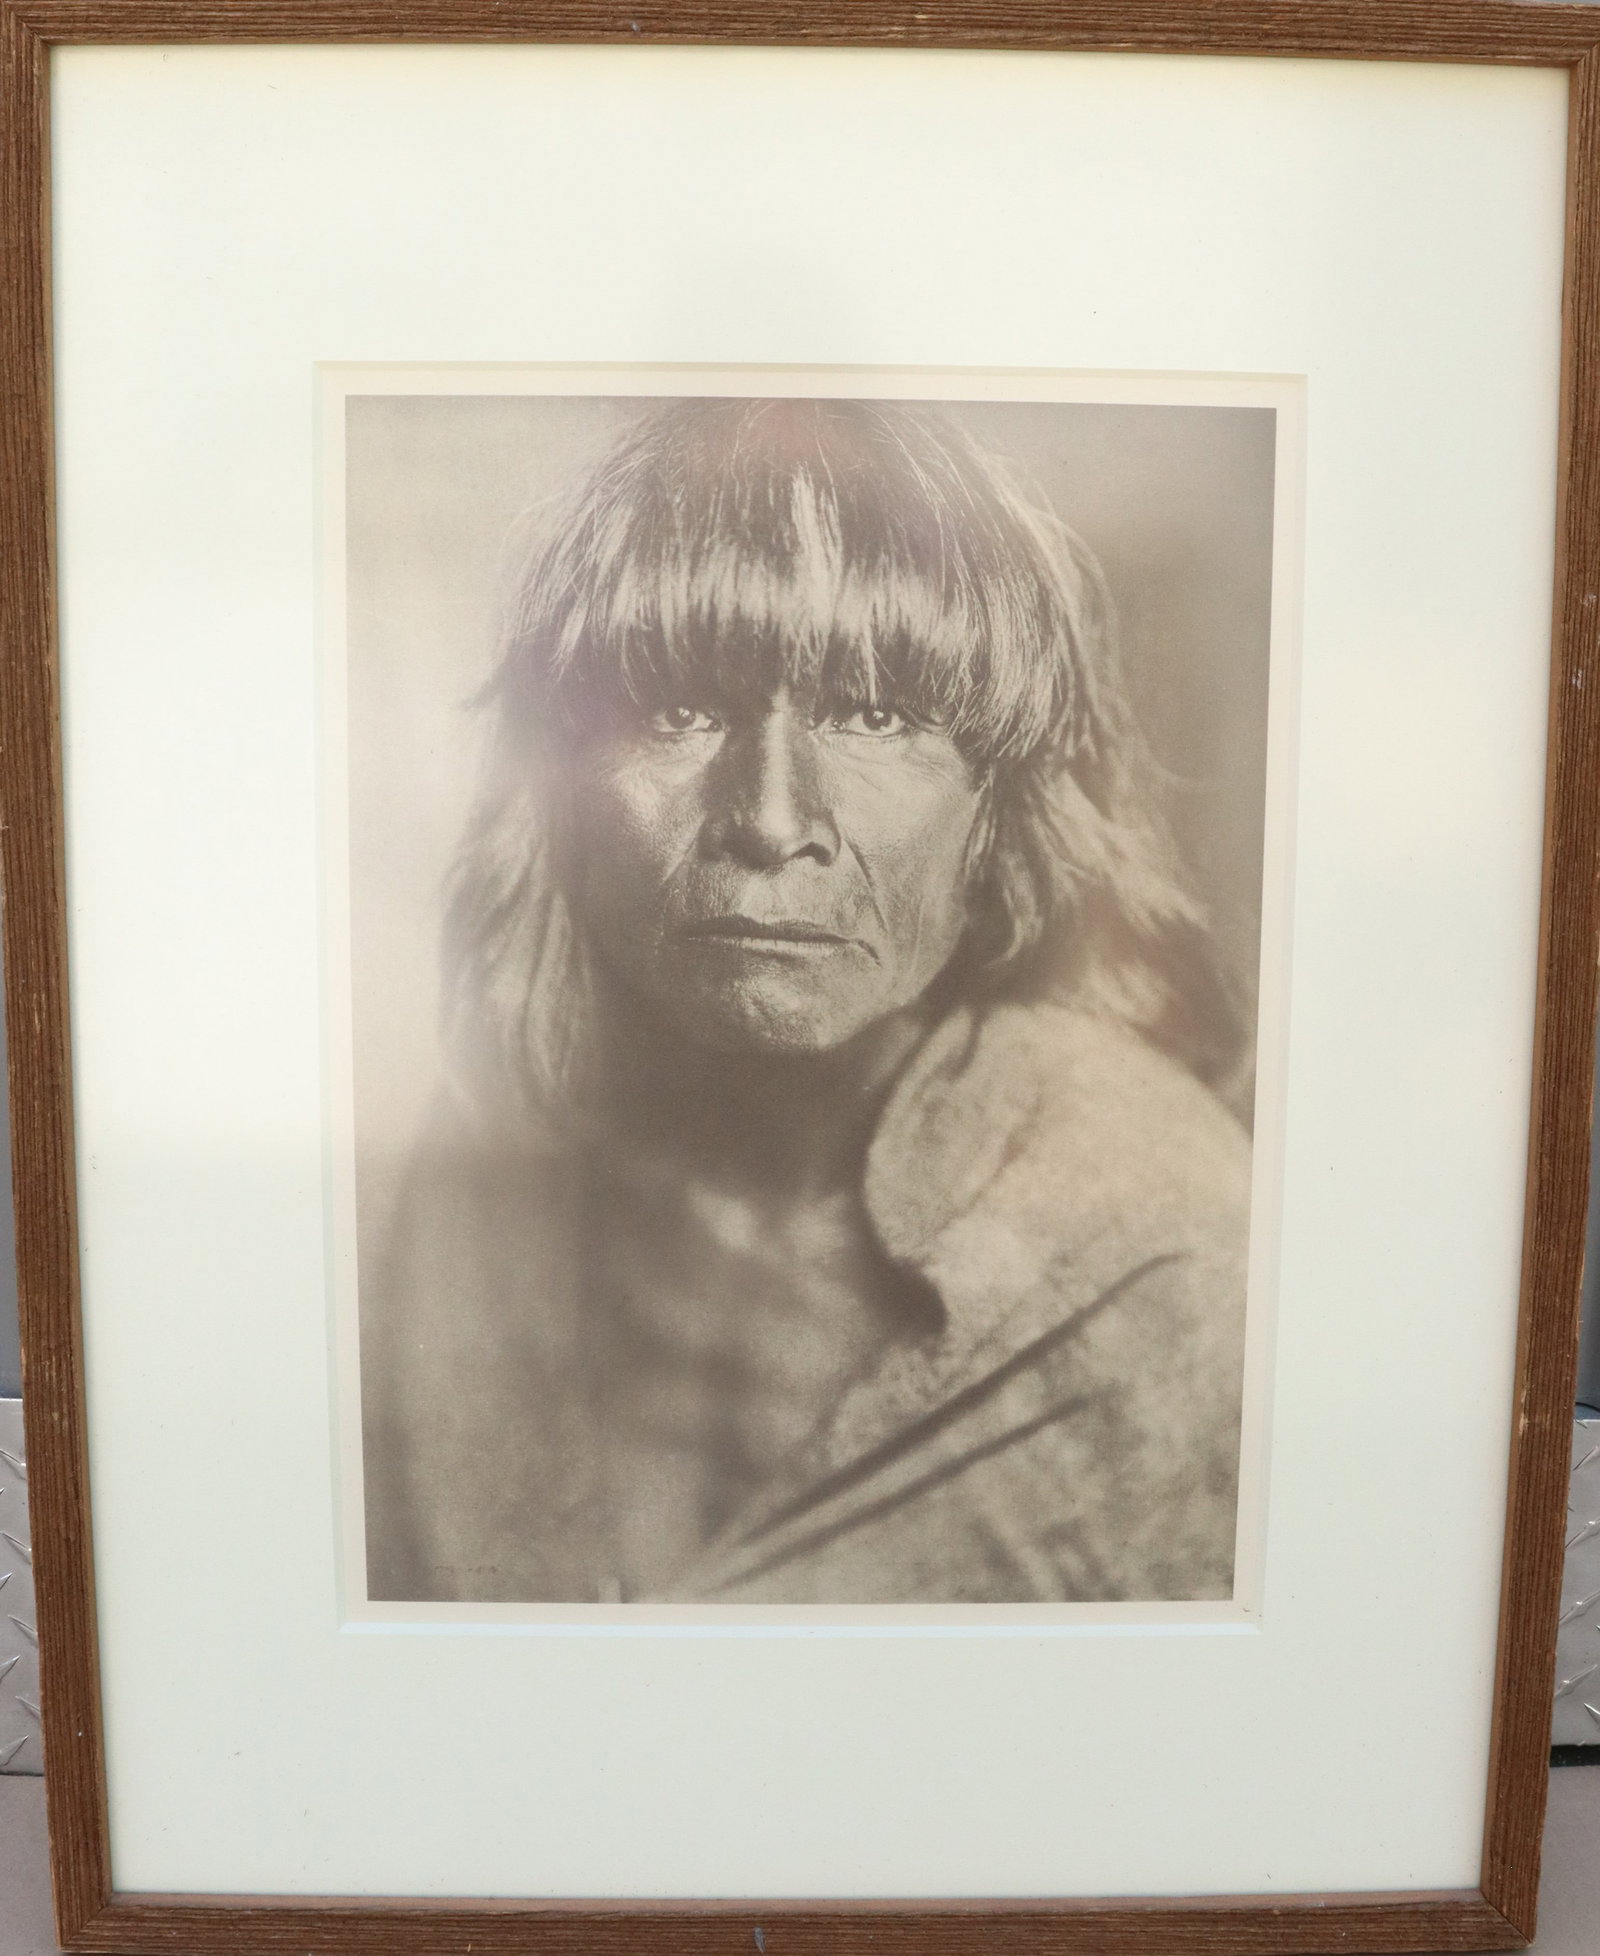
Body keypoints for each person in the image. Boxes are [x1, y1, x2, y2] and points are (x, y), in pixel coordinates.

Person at [359, 397, 1253, 1605]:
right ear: (556, 791)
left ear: (997, 818)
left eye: (875, 715)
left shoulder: (1156, 1243)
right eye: (677, 710)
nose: (772, 821)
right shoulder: (472, 1202)